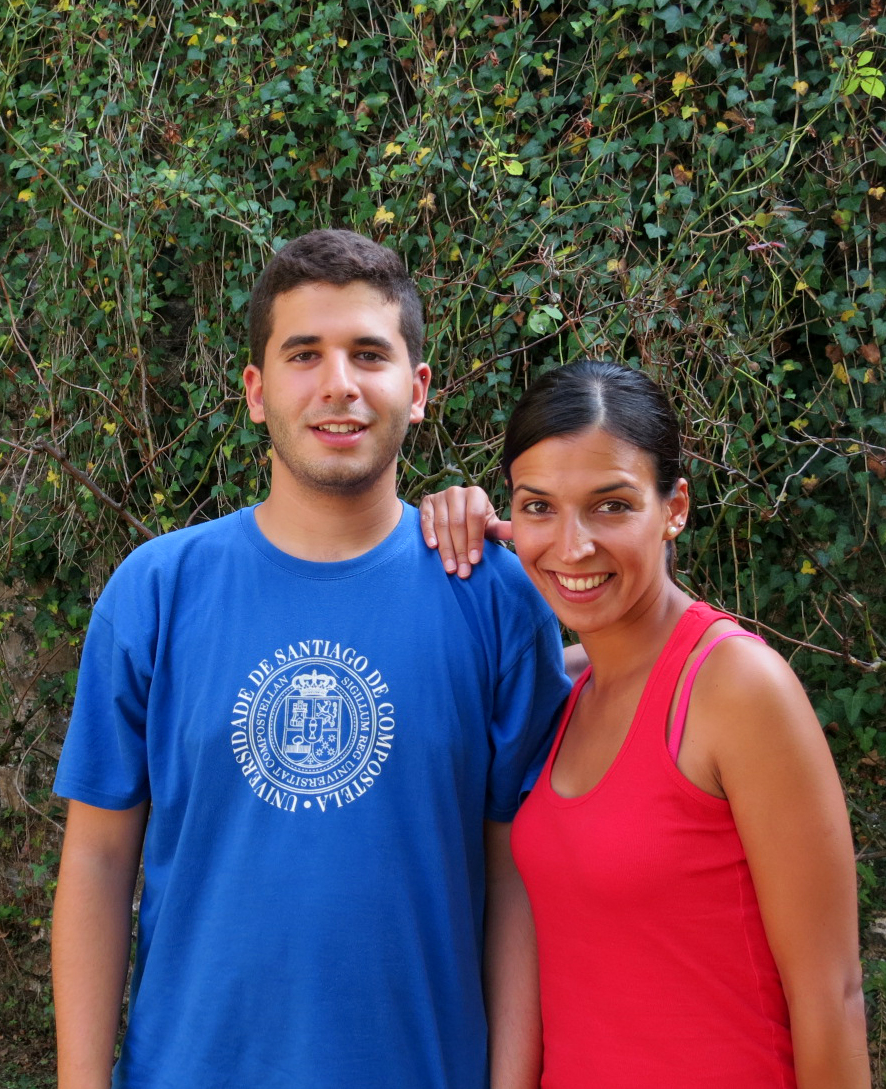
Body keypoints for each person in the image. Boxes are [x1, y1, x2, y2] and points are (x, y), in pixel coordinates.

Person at [50, 228, 571, 1089]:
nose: (339, 384)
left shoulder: (491, 596)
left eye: (369, 353)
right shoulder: (155, 591)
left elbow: (520, 875)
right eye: (304, 354)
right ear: (256, 391)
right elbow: (100, 859)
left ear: (418, 388)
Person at [420, 359, 870, 1088]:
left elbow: (833, 998)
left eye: (610, 504)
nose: (571, 546)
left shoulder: (734, 689)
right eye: (539, 507)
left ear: (674, 507)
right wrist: (445, 525)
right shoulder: (557, 693)